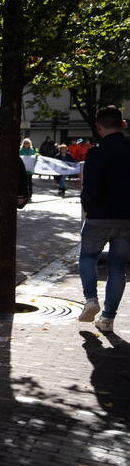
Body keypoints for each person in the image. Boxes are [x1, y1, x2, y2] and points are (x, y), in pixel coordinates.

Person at [77, 106, 130, 332]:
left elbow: (90, 188)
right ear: (122, 124)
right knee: (118, 267)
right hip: (126, 218)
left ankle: (91, 299)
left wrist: (88, 208)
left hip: (99, 216)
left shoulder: (96, 153)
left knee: (87, 257)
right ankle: (108, 319)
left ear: (99, 128)